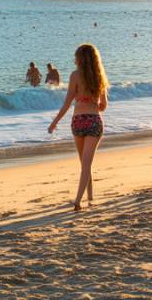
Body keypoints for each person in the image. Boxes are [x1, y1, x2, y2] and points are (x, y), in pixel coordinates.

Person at [48, 43, 109, 211]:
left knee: (84, 163)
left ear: (79, 59)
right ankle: (86, 197)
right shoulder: (100, 77)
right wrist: (93, 102)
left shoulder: (75, 76)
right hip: (94, 120)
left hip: (78, 121)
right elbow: (104, 105)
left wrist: (54, 122)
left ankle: (80, 199)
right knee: (87, 164)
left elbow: (67, 104)